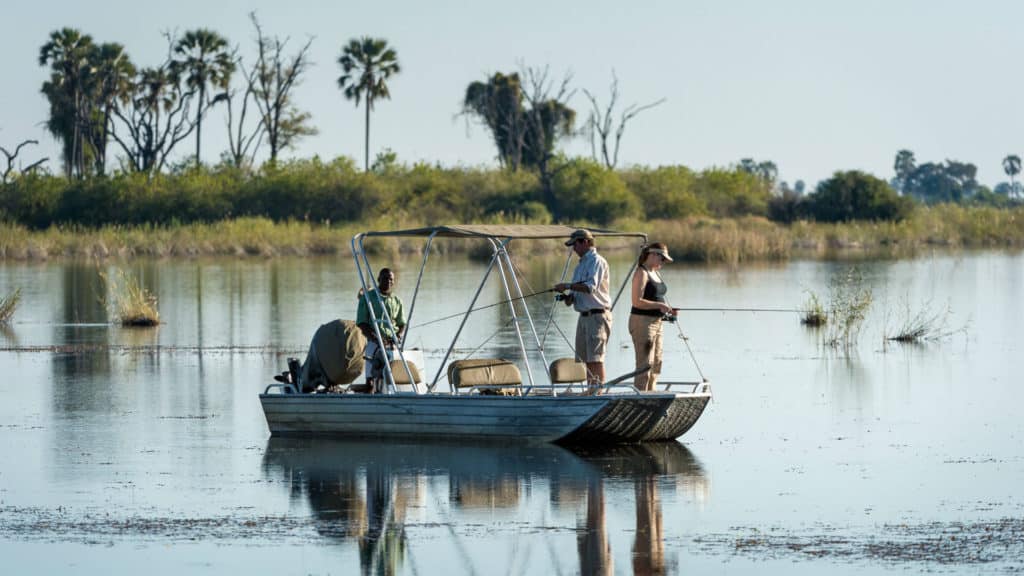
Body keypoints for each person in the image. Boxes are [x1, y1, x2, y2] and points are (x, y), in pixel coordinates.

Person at [553, 229, 611, 394]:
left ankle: (597, 394)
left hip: (597, 315)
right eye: (572, 245)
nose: (573, 248)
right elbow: (574, 297)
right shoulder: (580, 265)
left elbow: (590, 287)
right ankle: (591, 392)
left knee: (596, 359)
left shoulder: (597, 261)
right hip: (584, 317)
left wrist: (568, 285)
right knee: (586, 360)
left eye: (575, 244)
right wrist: (567, 297)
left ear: (585, 242)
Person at [629, 243, 675, 392]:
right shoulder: (641, 272)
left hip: (658, 322)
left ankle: (652, 397)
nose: (663, 262)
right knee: (644, 367)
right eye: (662, 258)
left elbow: (658, 297)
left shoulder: (656, 272)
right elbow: (637, 301)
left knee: (656, 365)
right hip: (642, 323)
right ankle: (640, 400)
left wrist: (668, 309)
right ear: (653, 255)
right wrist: (659, 306)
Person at [356, 268, 406, 392]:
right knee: (371, 380)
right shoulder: (368, 298)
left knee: (392, 379)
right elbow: (362, 323)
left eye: (391, 279)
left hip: (391, 344)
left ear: (393, 282)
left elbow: (402, 324)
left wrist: (398, 336)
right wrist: (376, 339)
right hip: (374, 343)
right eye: (385, 278)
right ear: (378, 280)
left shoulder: (397, 301)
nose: (388, 281)